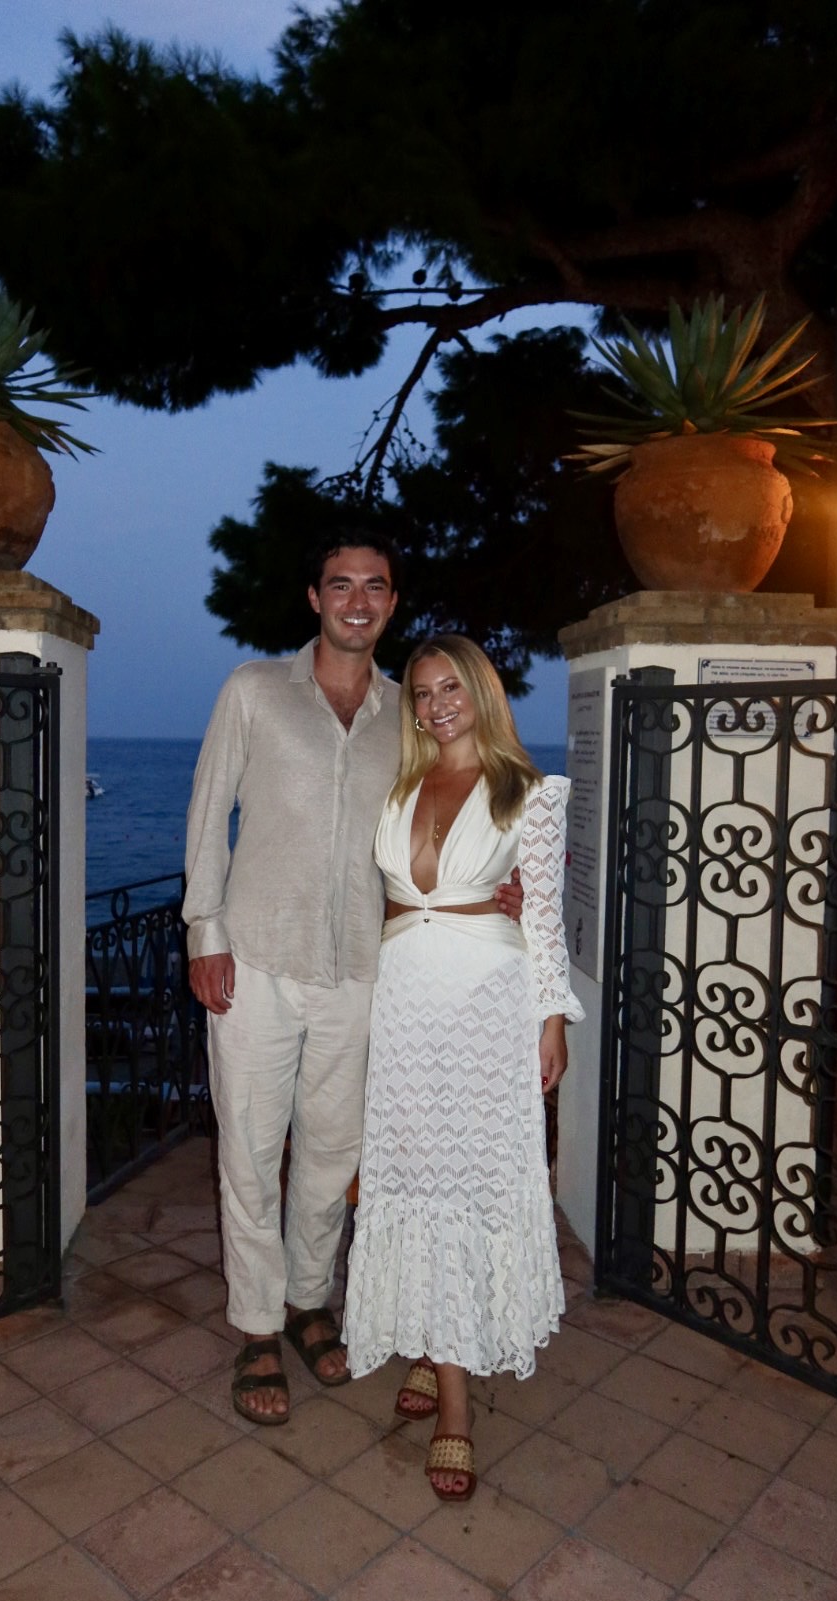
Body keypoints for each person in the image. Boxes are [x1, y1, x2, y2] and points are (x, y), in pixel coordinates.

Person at [183, 540, 523, 1424]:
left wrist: (500, 881)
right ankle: (258, 1326)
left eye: (375, 586)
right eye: (342, 585)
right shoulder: (253, 691)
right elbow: (208, 812)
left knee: (332, 1155)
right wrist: (203, 932)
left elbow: (447, 808)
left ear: (392, 603)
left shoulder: (403, 715)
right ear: (315, 597)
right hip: (254, 959)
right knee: (250, 1151)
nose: (358, 600)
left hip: (362, 972)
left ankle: (308, 1302)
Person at [342, 633, 584, 1501]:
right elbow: (379, 901)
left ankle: (455, 1408)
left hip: (486, 1007)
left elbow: (542, 916)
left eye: (451, 688)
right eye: (422, 692)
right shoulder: (398, 787)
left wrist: (550, 1021)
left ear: (481, 692)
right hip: (405, 1005)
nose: (436, 704)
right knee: (412, 1180)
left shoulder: (530, 793)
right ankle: (431, 1337)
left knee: (468, 1185)